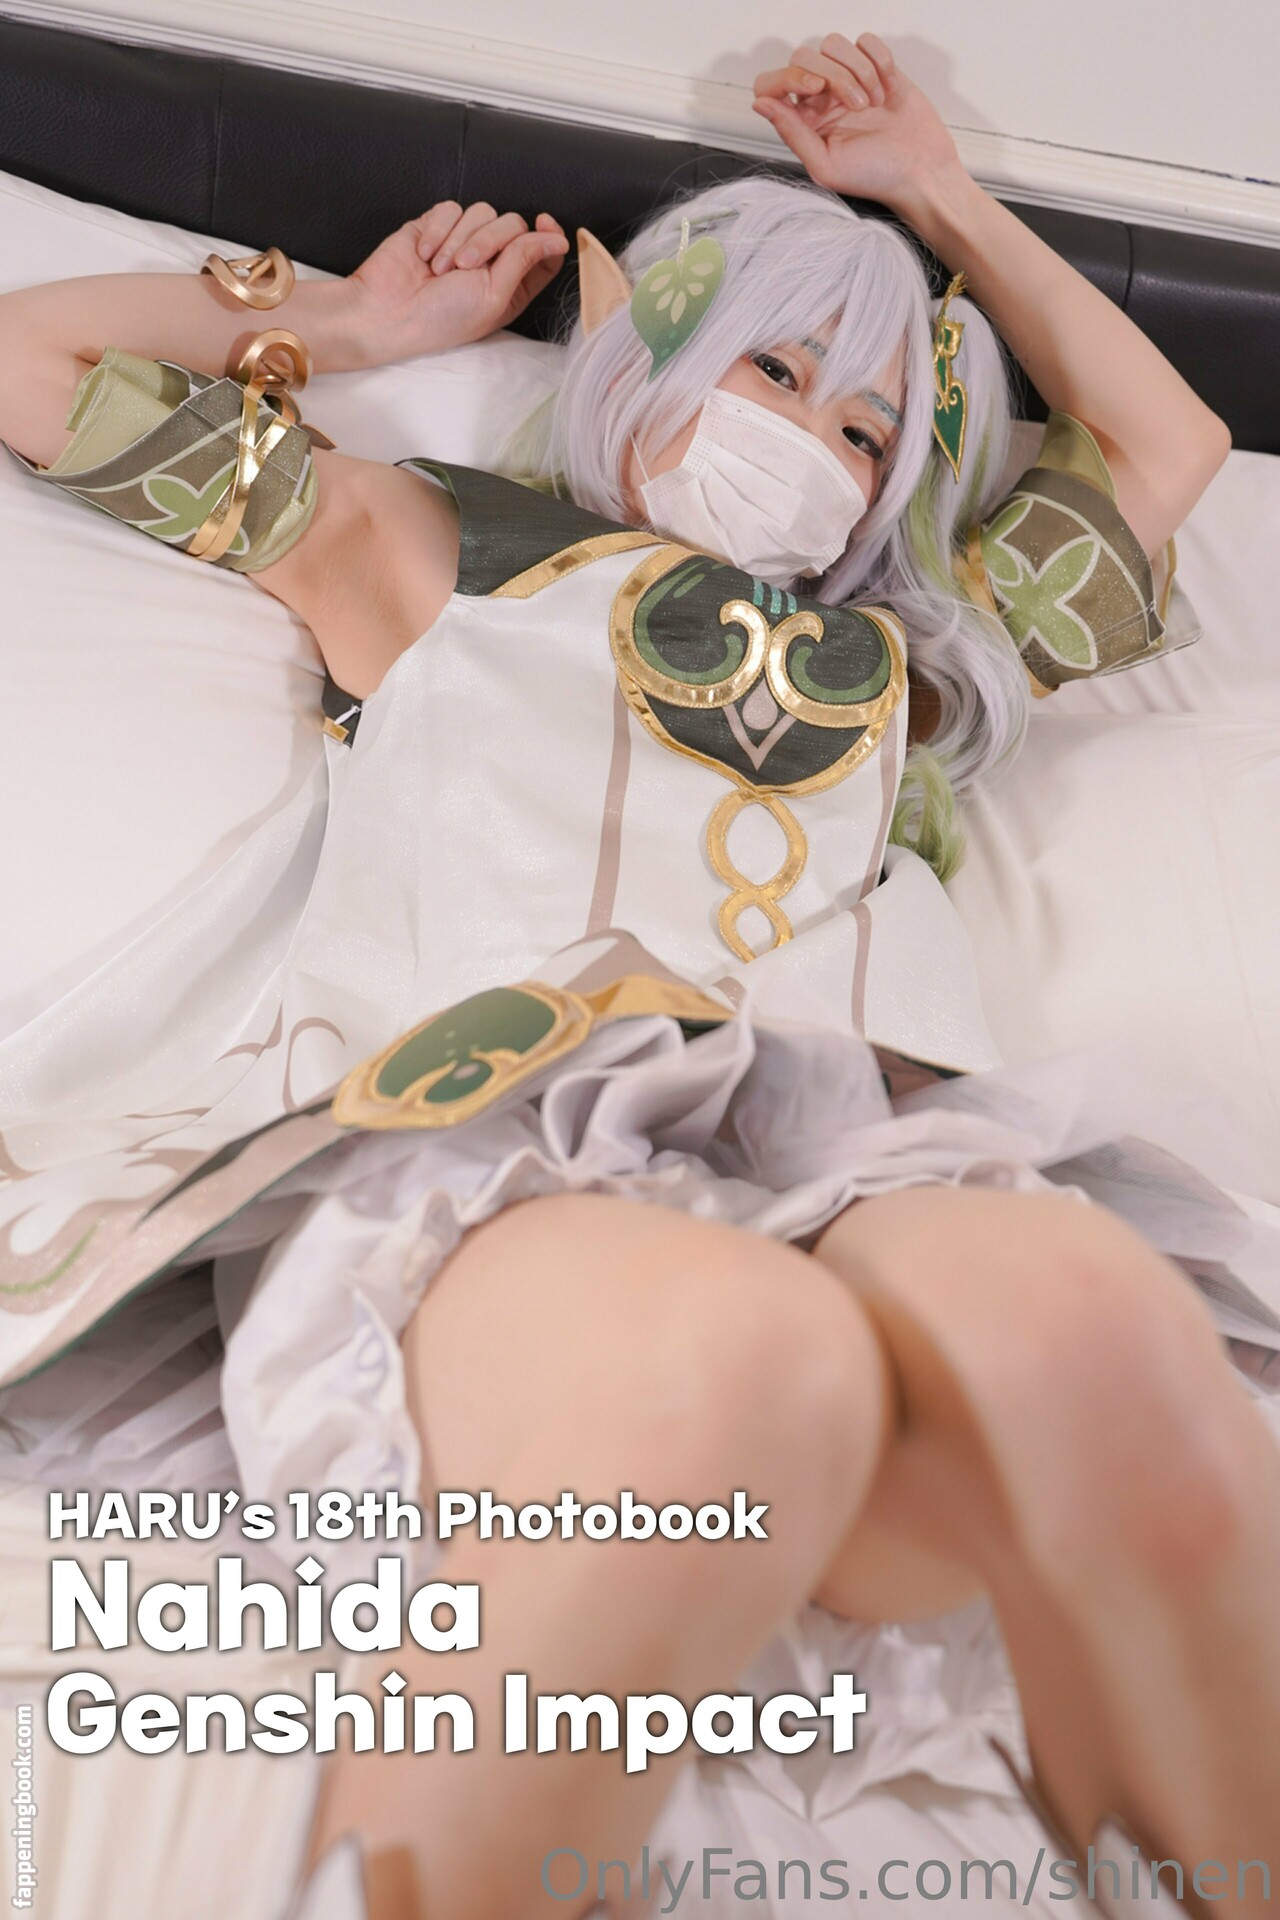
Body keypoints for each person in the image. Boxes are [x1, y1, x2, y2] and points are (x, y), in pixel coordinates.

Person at [1, 29, 1277, 1920]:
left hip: (868, 1156)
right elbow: (28, 362)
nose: (818, 446)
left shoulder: (918, 669)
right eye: (775, 370)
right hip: (510, 1140)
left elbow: (1173, 450)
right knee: (737, 1367)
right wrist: (348, 326)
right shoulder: (427, 547)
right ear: (644, 362)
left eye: (870, 435)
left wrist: (939, 194)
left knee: (1099, 1338)